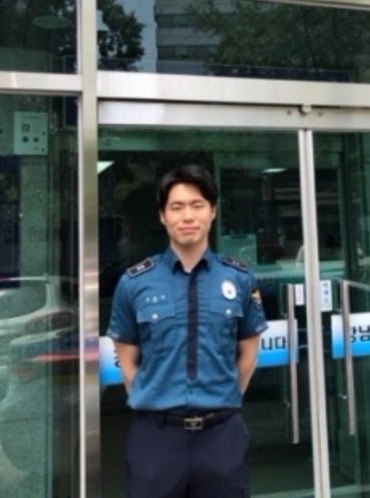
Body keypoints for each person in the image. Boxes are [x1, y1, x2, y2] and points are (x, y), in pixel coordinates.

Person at [107, 163, 268, 498]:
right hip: (156, 439)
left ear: (213, 211)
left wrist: (223, 399)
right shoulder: (134, 283)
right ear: (162, 216)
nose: (187, 216)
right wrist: (157, 398)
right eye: (176, 207)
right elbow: (127, 360)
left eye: (197, 205)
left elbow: (249, 351)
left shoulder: (239, 278)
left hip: (222, 437)